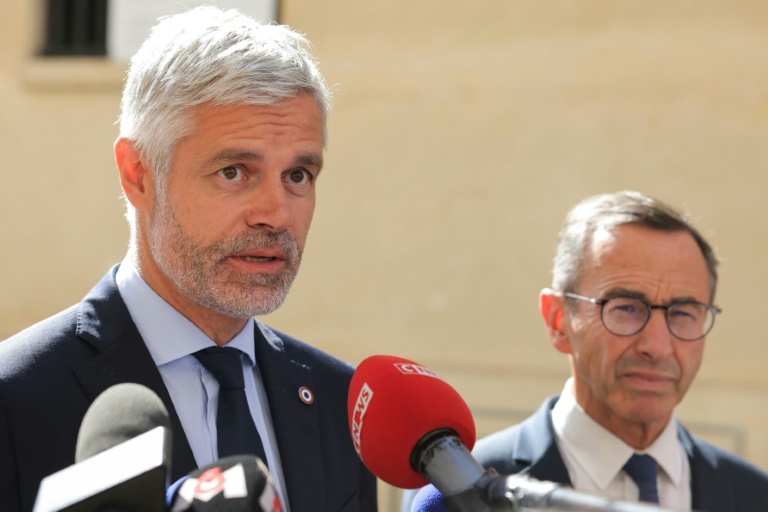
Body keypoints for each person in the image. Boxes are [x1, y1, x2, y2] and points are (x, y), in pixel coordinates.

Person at [0, 7, 376, 512]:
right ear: (137, 174)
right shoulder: (16, 399)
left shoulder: (341, 402)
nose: (276, 214)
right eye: (233, 171)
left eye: (298, 175)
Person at [406, 191, 768, 511]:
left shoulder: (754, 495)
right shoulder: (460, 491)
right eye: (626, 307)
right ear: (558, 320)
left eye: (684, 313)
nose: (657, 347)